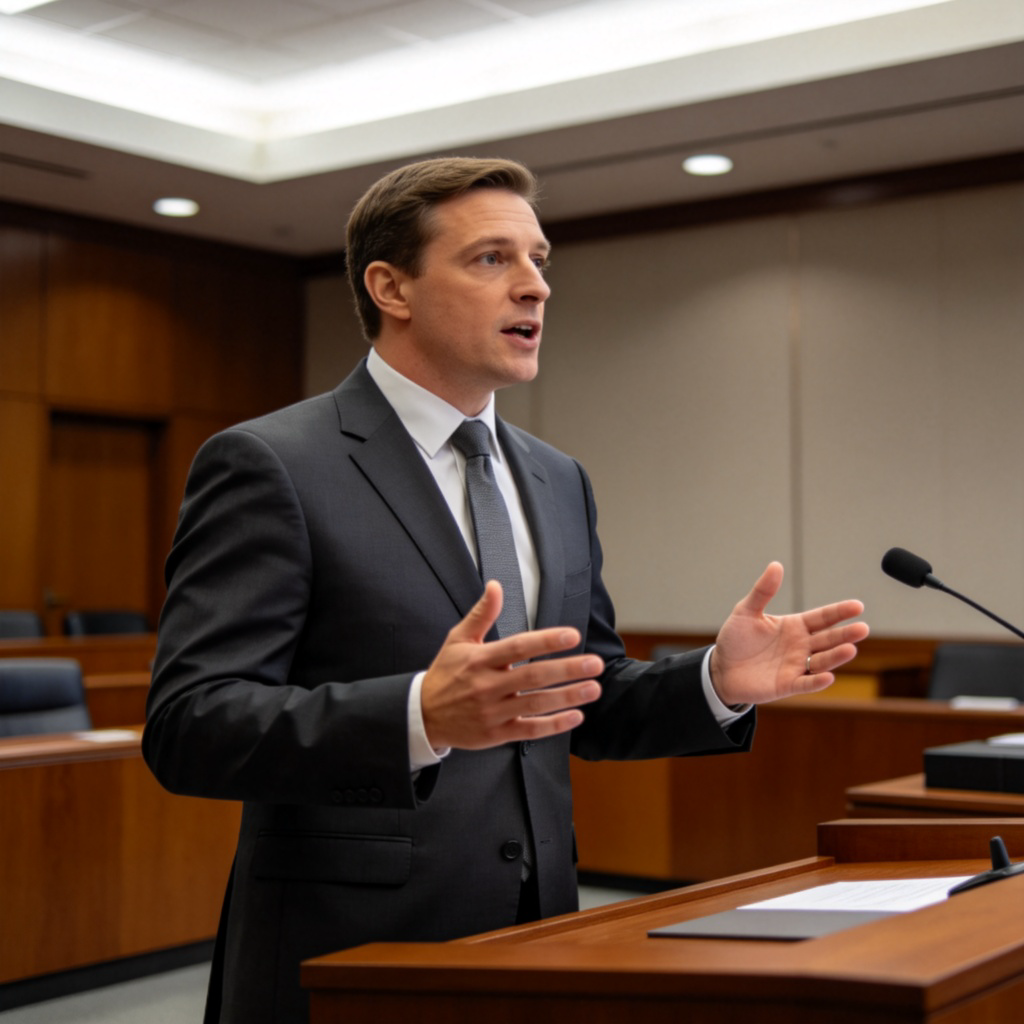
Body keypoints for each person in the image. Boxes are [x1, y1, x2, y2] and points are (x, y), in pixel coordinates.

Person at [143, 157, 869, 1024]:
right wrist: (419, 716)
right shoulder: (273, 464)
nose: (535, 288)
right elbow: (191, 725)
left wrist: (713, 683)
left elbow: (579, 696)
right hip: (346, 951)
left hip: (536, 935)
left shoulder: (557, 478)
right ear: (390, 287)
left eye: (539, 260)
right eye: (493, 259)